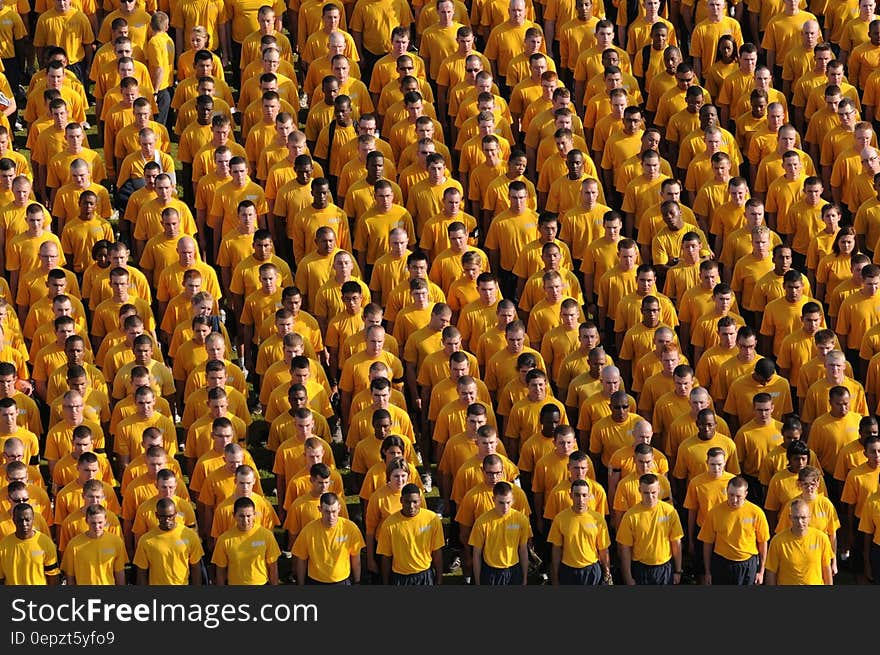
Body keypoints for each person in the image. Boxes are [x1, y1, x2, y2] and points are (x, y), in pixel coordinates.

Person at [698, 476, 769, 585]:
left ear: (746, 494)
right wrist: (707, 571)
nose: (734, 500)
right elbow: (707, 543)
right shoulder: (714, 513)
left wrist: (761, 571)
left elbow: (763, 542)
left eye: (738, 496)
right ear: (726, 491)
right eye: (731, 495)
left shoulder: (756, 513)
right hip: (722, 563)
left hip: (747, 564)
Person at [616, 473, 684, 585]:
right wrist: (628, 576)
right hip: (641, 569)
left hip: (665, 568)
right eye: (646, 493)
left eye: (653, 492)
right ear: (639, 490)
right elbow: (625, 548)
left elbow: (676, 542)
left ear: (659, 489)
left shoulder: (670, 512)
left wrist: (678, 571)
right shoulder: (631, 515)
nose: (650, 497)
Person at [376, 483, 444, 585]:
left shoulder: (432, 519)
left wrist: (439, 578)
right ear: (401, 501)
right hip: (400, 578)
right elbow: (386, 557)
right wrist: (385, 582)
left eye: (415, 502)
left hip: (424, 576)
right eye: (407, 502)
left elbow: (437, 551)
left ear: (420, 501)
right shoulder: (389, 524)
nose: (411, 506)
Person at [548, 479, 612, 585]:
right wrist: (555, 575)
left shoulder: (598, 519)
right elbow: (556, 549)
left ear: (589, 496)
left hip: (591, 570)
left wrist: (607, 572)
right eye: (577, 495)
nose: (581, 500)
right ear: (570, 495)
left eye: (584, 495)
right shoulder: (560, 518)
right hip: (568, 571)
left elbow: (603, 549)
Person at [292, 492, 365, 585]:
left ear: (339, 508)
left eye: (334, 511)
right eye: (327, 512)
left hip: (342, 581)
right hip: (316, 582)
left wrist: (357, 581)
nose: (331, 516)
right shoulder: (308, 531)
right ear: (320, 509)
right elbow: (301, 559)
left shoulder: (350, 528)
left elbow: (355, 557)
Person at [469, 481, 532, 585]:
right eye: (501, 503)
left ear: (513, 500)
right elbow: (476, 554)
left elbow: (523, 550)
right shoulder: (482, 522)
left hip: (514, 571)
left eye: (508, 502)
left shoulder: (522, 520)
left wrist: (524, 578)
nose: (505, 507)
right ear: (493, 500)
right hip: (491, 572)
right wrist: (478, 581)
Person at [133, 497, 204, 585]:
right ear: (156, 515)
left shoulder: (190, 536)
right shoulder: (146, 540)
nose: (167, 520)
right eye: (162, 516)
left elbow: (196, 567)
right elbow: (142, 571)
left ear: (175, 515)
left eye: (170, 516)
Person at [212, 496, 281, 585]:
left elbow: (273, 566)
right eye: (241, 516)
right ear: (234, 515)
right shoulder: (224, 539)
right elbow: (220, 570)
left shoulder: (266, 536)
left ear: (254, 515)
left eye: (248, 516)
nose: (245, 520)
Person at [765, 499, 834, 585]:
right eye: (796, 518)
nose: (800, 522)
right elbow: (771, 572)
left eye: (803, 517)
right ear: (790, 518)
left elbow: (826, 569)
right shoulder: (778, 541)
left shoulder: (821, 539)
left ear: (809, 517)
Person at [60, 504, 127, 585]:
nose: (97, 526)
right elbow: (70, 576)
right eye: (93, 523)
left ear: (106, 520)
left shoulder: (116, 542)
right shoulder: (74, 545)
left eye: (100, 522)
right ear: (86, 521)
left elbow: (119, 573)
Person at [0, 503, 60, 585]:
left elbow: (53, 575)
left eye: (27, 520)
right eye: (20, 520)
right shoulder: (3, 546)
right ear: (14, 520)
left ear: (33, 520)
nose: (24, 524)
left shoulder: (45, 543)